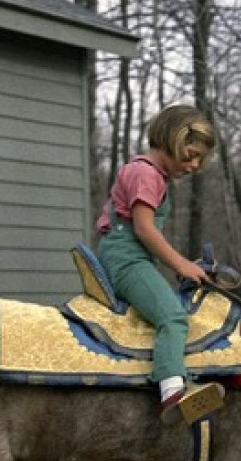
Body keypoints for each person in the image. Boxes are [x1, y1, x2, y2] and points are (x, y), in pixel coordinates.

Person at [96, 104, 225, 425]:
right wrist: (181, 265)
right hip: (126, 259)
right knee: (173, 317)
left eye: (200, 159)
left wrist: (187, 265)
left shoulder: (149, 174)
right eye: (189, 155)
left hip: (131, 255)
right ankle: (172, 391)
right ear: (168, 141)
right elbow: (143, 229)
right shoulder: (146, 174)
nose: (194, 165)